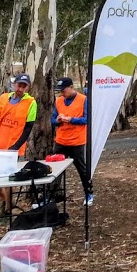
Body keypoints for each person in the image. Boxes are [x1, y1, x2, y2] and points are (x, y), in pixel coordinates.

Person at [0, 73, 37, 216]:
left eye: (24, 86)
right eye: (19, 85)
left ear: (27, 88)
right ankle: (7, 202)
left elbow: (28, 128)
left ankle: (7, 209)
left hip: (14, 147)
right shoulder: (3, 98)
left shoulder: (31, 103)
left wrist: (17, 145)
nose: (21, 89)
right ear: (14, 85)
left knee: (8, 179)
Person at [51, 77, 91, 205]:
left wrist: (71, 119)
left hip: (76, 142)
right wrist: (57, 120)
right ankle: (51, 196)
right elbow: (52, 119)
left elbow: (86, 119)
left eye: (63, 90)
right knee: (56, 170)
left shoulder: (83, 99)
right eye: (60, 91)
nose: (62, 93)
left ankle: (88, 193)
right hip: (61, 141)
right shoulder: (58, 101)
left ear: (71, 87)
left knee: (82, 169)